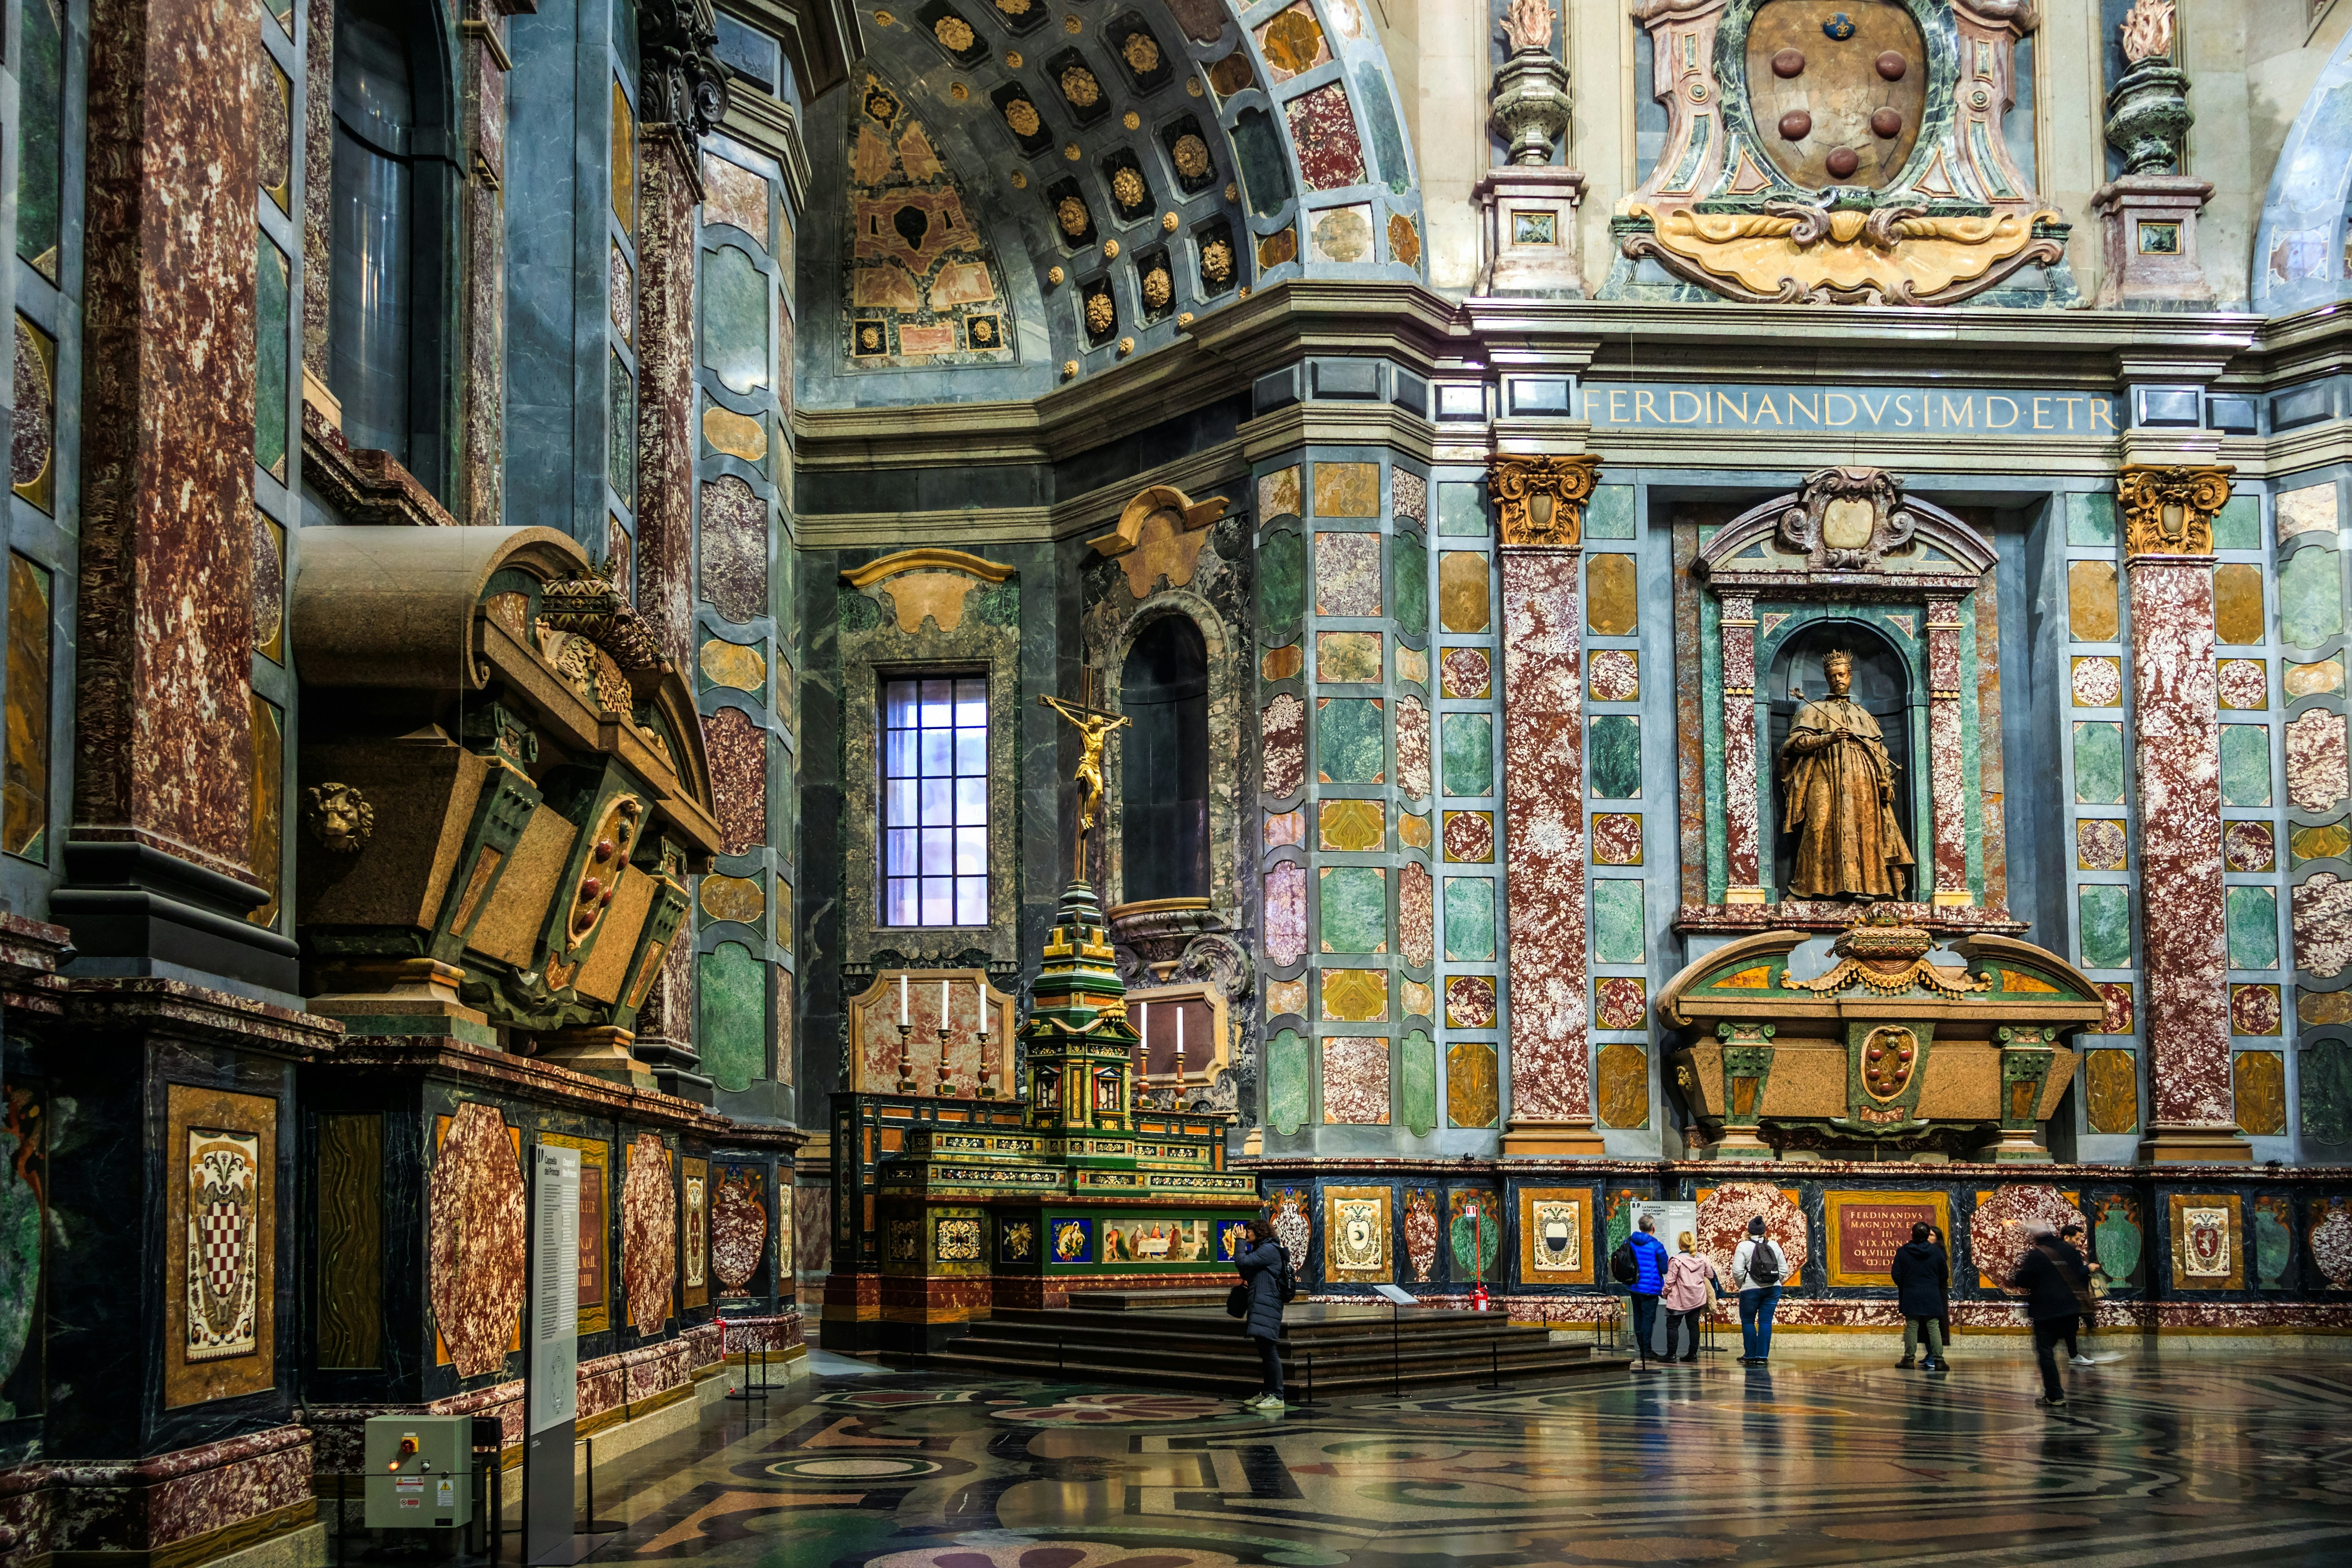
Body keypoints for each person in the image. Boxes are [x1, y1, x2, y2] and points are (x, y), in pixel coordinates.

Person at [2011, 1229, 2090, 1408]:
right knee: (2067, 1341)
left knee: (2046, 1352)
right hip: (2070, 1309)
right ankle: (2074, 1357)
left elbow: (2022, 1280)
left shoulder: (2036, 1254)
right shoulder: (2071, 1251)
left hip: (2046, 1312)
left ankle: (2055, 1395)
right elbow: (2079, 1274)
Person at [1234, 1218, 1292, 1409]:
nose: (1246, 1233)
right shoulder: (1261, 1250)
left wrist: (1240, 1242)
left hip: (1267, 1305)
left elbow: (1241, 1261)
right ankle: (1268, 1393)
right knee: (1265, 1352)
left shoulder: (1268, 1250)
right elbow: (1245, 1270)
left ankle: (1277, 1396)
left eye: (1249, 1231)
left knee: (1270, 1351)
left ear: (1259, 1233)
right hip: (1260, 1304)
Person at [1889, 1221, 1950, 1371]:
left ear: (1913, 1234)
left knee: (1912, 1326)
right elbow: (1944, 1275)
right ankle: (1939, 1360)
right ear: (1926, 1235)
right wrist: (1932, 1284)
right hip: (1932, 1293)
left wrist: (1907, 1285)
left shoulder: (1903, 1252)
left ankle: (1909, 1359)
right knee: (1934, 1327)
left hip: (1911, 1293)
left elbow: (1896, 1274)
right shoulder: (1936, 1252)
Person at [1730, 1216, 1786, 1364]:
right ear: (1764, 1231)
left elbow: (1737, 1271)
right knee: (1766, 1322)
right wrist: (1775, 1280)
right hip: (1773, 1289)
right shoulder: (1774, 1245)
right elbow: (1784, 1269)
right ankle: (1762, 1357)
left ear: (1749, 1231)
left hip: (1750, 1290)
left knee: (1748, 1322)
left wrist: (1742, 1284)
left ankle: (1750, 1355)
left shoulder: (1743, 1246)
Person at [1660, 1231, 1722, 1363]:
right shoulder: (1702, 1258)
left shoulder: (1676, 1261)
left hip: (1679, 1299)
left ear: (1680, 1244)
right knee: (1693, 1326)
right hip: (1697, 1298)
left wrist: (1665, 1293)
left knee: (1672, 1326)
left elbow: (1670, 1281)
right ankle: (1692, 1355)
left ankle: (1671, 1355)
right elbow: (1710, 1275)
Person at [1626, 1216, 1671, 1358]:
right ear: (1653, 1228)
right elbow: (1665, 1268)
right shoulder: (1656, 1246)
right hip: (1650, 1288)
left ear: (1640, 1227)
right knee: (1648, 1319)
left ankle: (1642, 1349)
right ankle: (1647, 1350)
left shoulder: (1629, 1241)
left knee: (1638, 1317)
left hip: (1634, 1286)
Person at [2059, 1222, 2101, 1367]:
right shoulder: (2066, 1254)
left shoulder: (2067, 1252)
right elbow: (2072, 1274)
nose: (2078, 1242)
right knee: (2070, 1327)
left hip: (2070, 1297)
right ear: (2066, 1238)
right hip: (2069, 1296)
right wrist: (2087, 1269)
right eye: (2077, 1239)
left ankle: (2074, 1354)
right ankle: (2074, 1355)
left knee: (2071, 1326)